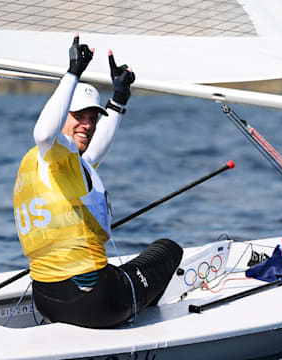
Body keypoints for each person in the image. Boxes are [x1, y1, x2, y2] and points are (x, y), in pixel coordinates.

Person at [13, 35, 183, 328]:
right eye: (79, 116)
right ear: (61, 114)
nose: (88, 125)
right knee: (168, 250)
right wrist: (73, 72)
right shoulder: (52, 147)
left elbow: (91, 156)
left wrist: (118, 100)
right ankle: (149, 324)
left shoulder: (48, 165)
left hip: (47, 300)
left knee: (123, 268)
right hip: (97, 303)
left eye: (93, 118)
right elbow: (43, 133)